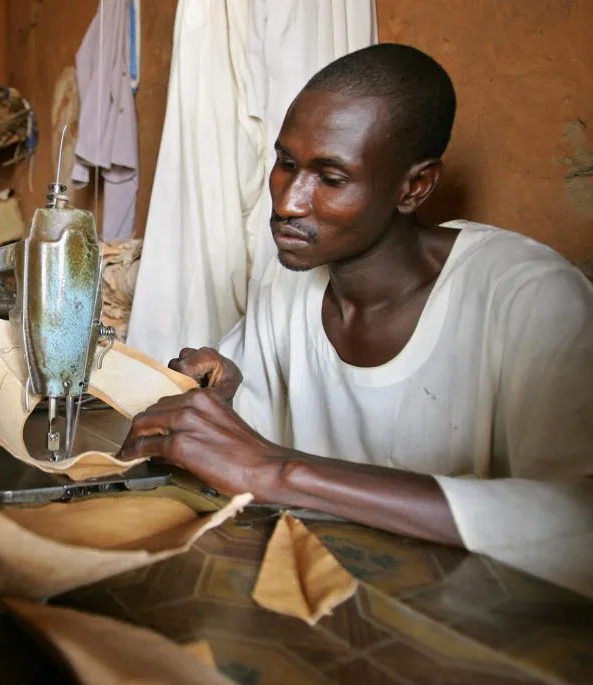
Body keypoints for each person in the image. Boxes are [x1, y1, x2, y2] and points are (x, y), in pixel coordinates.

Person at [120, 44, 593, 595]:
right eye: (287, 164)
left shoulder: (527, 296)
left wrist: (284, 472)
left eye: (331, 177)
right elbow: (241, 437)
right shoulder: (290, 286)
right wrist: (224, 397)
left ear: (413, 187)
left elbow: (579, 522)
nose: (289, 202)